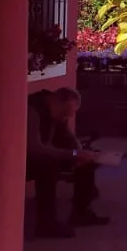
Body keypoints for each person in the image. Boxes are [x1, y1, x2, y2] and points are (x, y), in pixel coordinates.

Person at [27, 88, 111, 237]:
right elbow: (35, 147)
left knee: (87, 163)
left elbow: (69, 139)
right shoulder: (32, 110)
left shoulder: (56, 111)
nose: (65, 118)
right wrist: (71, 154)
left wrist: (80, 153)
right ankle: (46, 223)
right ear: (55, 102)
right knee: (47, 167)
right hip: (23, 159)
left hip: (46, 155)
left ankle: (81, 212)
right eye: (64, 113)